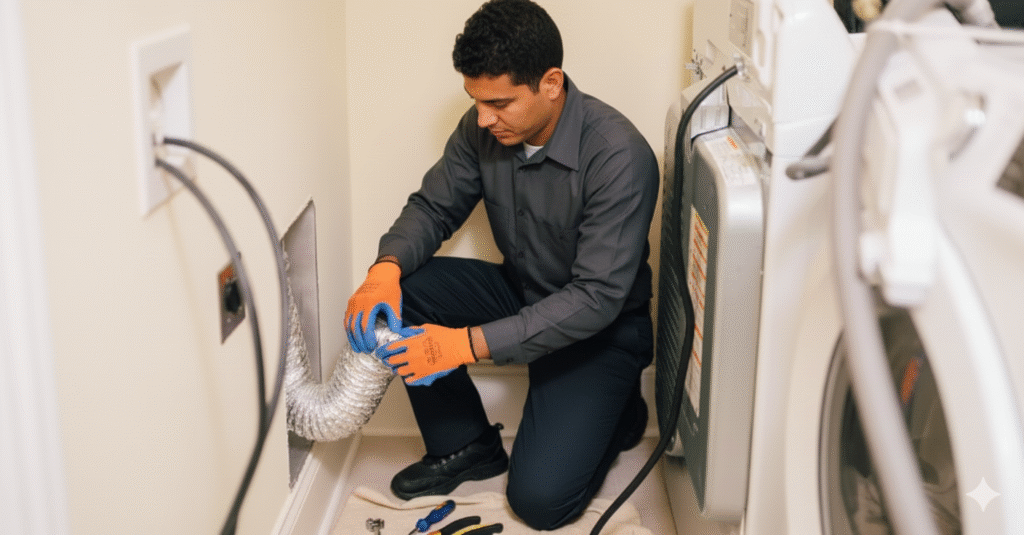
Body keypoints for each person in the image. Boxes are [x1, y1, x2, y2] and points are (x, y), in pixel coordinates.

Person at [344, 0, 658, 529]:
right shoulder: (482, 130)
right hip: (523, 292)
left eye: (500, 102)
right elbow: (433, 206)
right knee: (407, 287)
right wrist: (384, 271)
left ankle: (619, 414)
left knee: (539, 503)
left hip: (598, 332)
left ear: (551, 83)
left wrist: (461, 343)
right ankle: (464, 444)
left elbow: (596, 299)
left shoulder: (617, 156)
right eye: (476, 100)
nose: (484, 117)